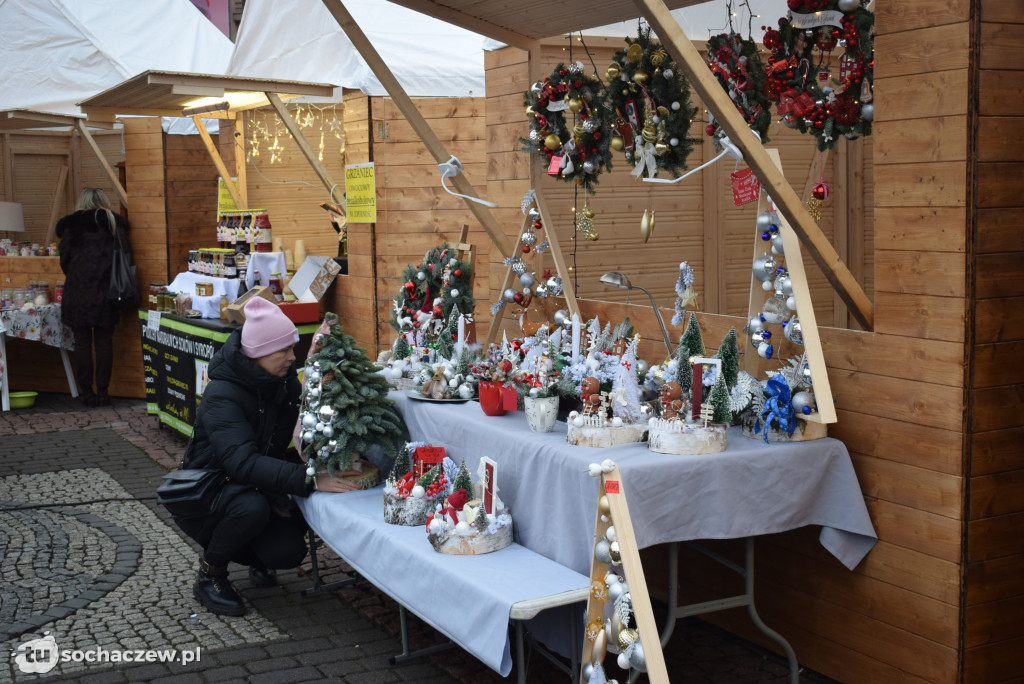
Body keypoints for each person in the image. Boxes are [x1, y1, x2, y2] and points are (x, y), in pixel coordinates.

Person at [173, 296, 355, 617]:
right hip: (204, 491)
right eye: (284, 350)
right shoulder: (222, 394)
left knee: (288, 549)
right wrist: (310, 481)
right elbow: (240, 462)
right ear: (257, 353)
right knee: (251, 508)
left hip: (250, 484)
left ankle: (258, 560)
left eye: (293, 348)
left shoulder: (281, 384)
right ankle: (210, 573)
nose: (291, 357)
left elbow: (287, 441)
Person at [56, 188, 130, 407]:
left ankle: (87, 392)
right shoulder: (113, 224)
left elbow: (65, 262)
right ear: (103, 202)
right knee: (104, 343)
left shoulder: (71, 227)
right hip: (107, 293)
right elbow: (126, 257)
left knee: (82, 343)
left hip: (78, 293)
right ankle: (103, 392)